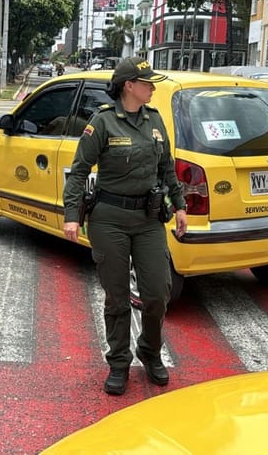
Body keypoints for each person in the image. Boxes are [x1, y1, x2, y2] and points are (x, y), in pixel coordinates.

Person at [61, 56, 188, 396]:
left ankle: (149, 351)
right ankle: (119, 361)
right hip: (110, 220)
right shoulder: (102, 123)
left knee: (158, 294)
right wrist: (72, 214)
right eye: (147, 83)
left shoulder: (156, 121)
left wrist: (180, 206)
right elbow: (78, 171)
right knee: (117, 298)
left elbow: (167, 169)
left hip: (148, 221)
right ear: (129, 86)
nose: (152, 87)